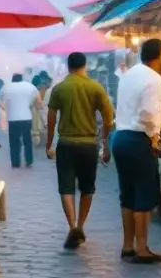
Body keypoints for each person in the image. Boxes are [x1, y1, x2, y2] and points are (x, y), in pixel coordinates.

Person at [46, 52, 115, 249]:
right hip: (88, 145)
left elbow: (51, 119)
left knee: (66, 187)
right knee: (87, 187)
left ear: (68, 67)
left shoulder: (59, 89)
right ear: (85, 65)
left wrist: (48, 144)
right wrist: (104, 140)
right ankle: (82, 225)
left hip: (66, 144)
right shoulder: (96, 87)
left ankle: (72, 226)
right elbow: (109, 118)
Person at [112, 38, 161, 264]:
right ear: (160, 56)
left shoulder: (129, 75)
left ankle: (128, 246)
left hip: (120, 138)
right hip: (138, 140)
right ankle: (142, 247)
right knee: (144, 195)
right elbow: (149, 113)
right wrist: (154, 135)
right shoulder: (155, 80)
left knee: (127, 195)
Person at [2, 73, 40, 168]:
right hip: (26, 118)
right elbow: (38, 99)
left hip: (12, 118)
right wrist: (31, 104)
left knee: (14, 141)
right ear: (21, 79)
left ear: (12, 79)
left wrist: (5, 108)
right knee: (27, 140)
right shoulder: (30, 86)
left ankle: (15, 162)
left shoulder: (6, 87)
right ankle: (29, 160)